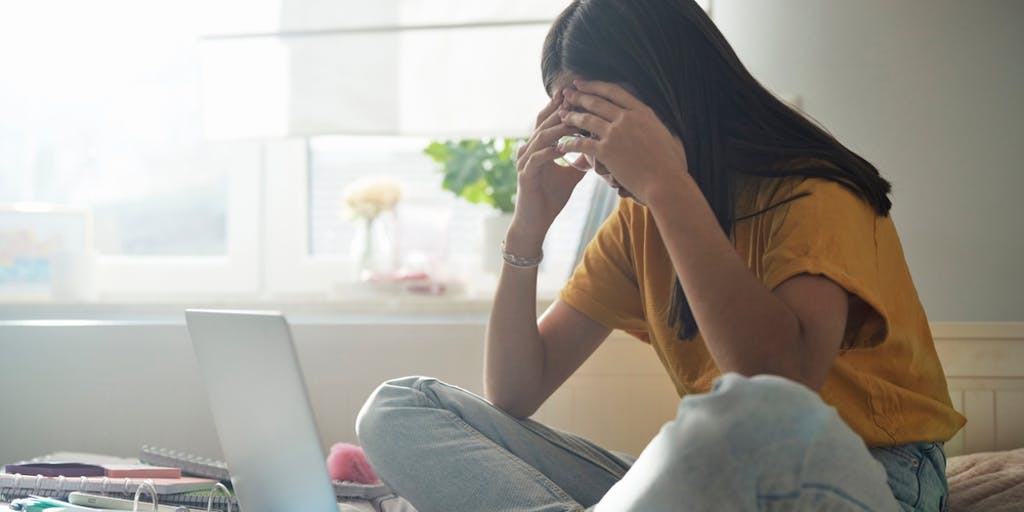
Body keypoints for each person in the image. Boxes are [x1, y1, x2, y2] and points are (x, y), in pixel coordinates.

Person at [356, 1, 965, 510]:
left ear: (673, 94)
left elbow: (777, 397)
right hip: (722, 476)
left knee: (719, 426)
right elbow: (515, 391)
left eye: (606, 124)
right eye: (580, 130)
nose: (597, 157)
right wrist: (527, 231)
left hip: (867, 474)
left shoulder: (815, 193)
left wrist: (669, 184)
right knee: (398, 407)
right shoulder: (638, 222)